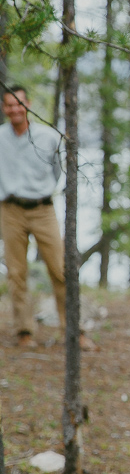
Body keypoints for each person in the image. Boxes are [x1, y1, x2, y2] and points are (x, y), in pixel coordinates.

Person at [0, 86, 65, 348]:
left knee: (60, 269)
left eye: (19, 104)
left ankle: (72, 330)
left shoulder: (48, 136)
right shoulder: (0, 138)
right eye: (8, 105)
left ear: (28, 104)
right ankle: (24, 331)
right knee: (16, 273)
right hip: (10, 210)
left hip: (43, 209)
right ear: (4, 109)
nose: (14, 109)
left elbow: (58, 172)